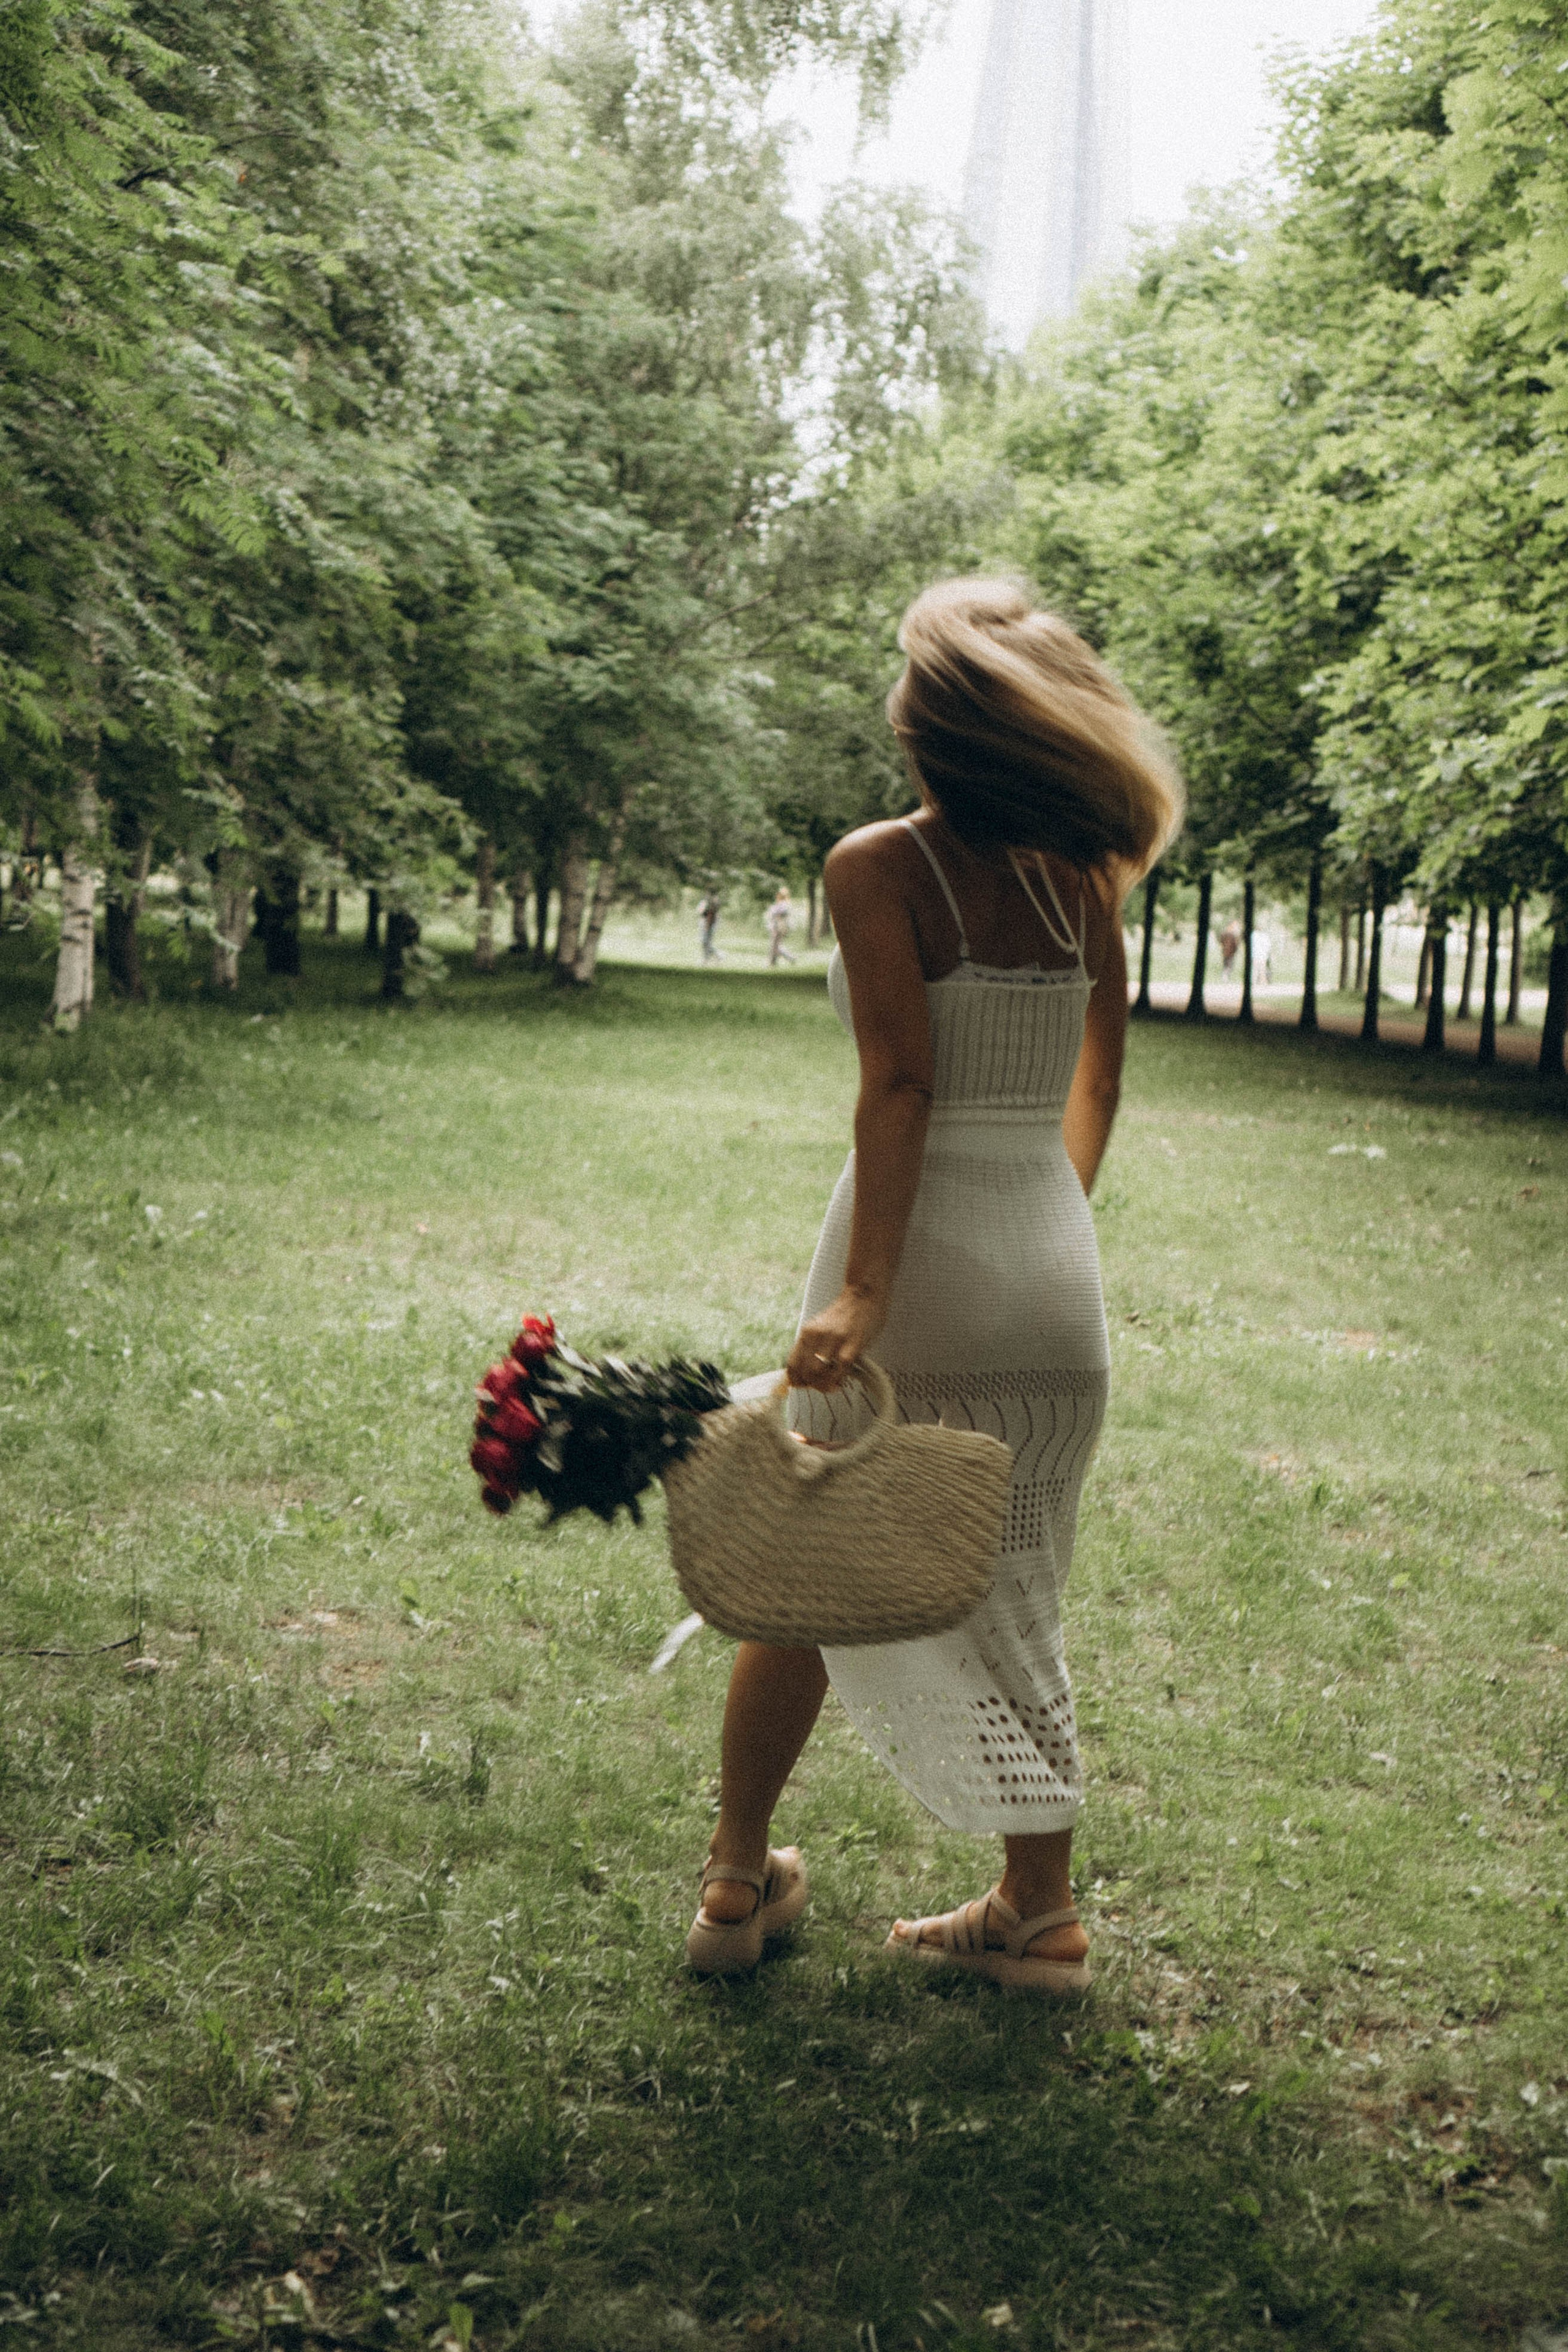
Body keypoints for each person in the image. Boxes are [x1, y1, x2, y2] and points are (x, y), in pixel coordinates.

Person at [685, 578, 1182, 1991]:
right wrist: (1041, 1230)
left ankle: (735, 1883)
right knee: (1017, 1578)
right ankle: (1040, 1912)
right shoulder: (1077, 874)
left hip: (913, 1270)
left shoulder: (874, 867)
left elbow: (899, 1084)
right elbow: (1100, 1079)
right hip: (1047, 1274)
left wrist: (862, 1293)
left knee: (798, 1563)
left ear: (930, 735)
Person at [766, 885, 796, 967]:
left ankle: (788, 958)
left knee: (775, 945)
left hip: (779, 926)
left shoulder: (784, 904)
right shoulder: (779, 903)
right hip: (776, 925)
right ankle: (774, 961)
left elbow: (778, 914)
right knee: (776, 945)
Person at [698, 891, 722, 963]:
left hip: (709, 923)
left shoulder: (713, 902)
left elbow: (710, 915)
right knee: (705, 942)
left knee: (706, 942)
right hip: (705, 922)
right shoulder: (706, 902)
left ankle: (715, 957)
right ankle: (713, 957)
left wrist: (708, 926)